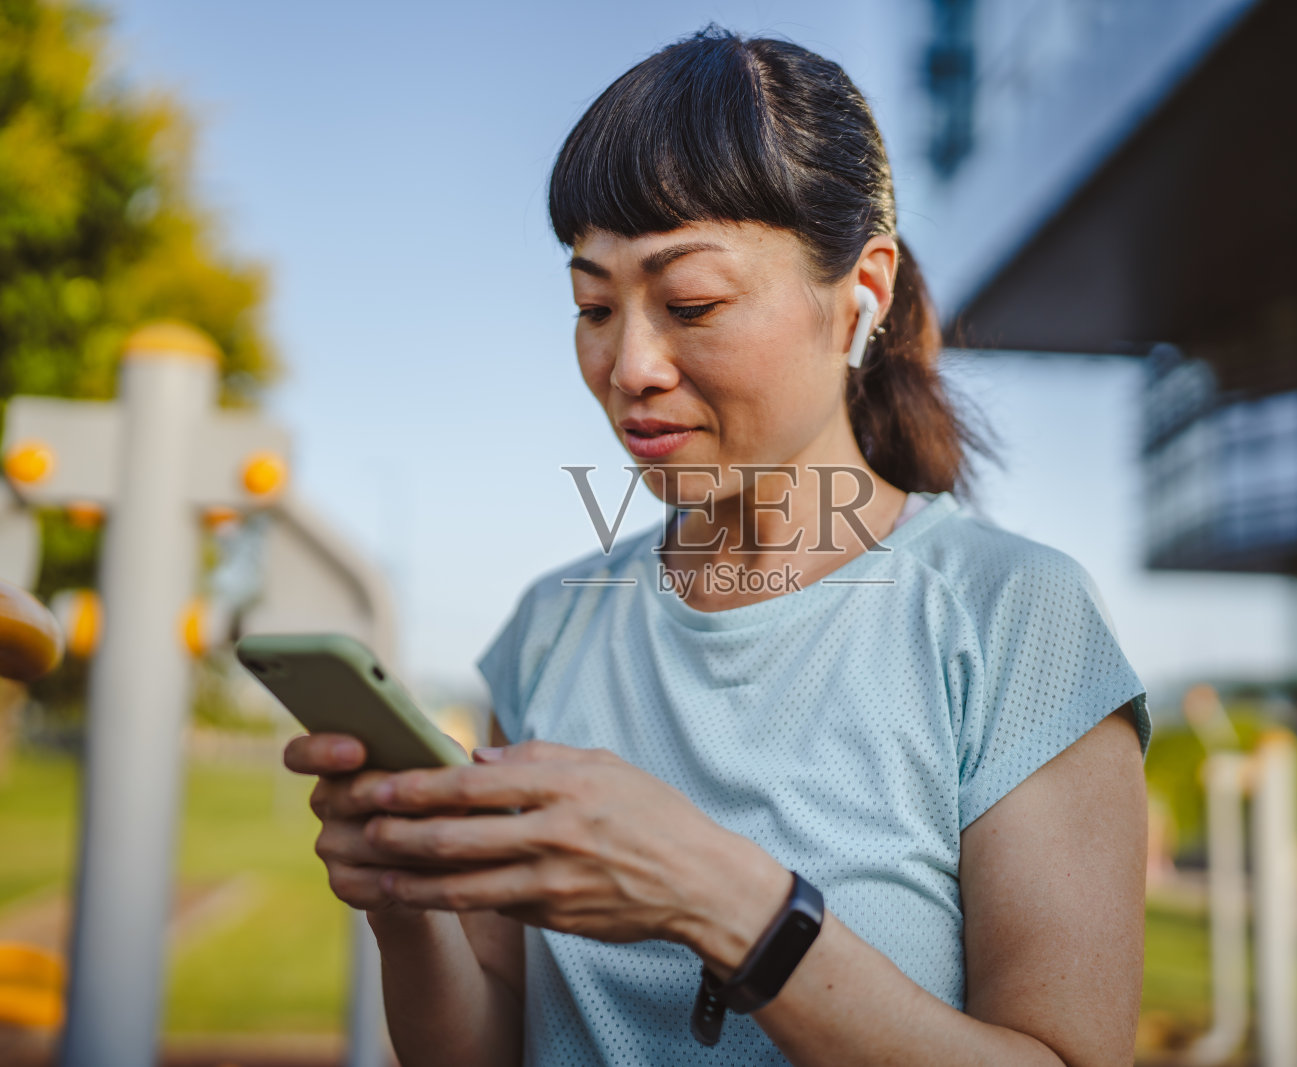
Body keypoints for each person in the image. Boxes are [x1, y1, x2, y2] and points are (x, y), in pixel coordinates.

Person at [286, 27, 1151, 1067]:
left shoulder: (1015, 620)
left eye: (690, 302)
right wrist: (404, 903)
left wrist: (726, 899)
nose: (628, 365)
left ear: (859, 295)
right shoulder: (550, 629)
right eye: (593, 306)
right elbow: (487, 1045)